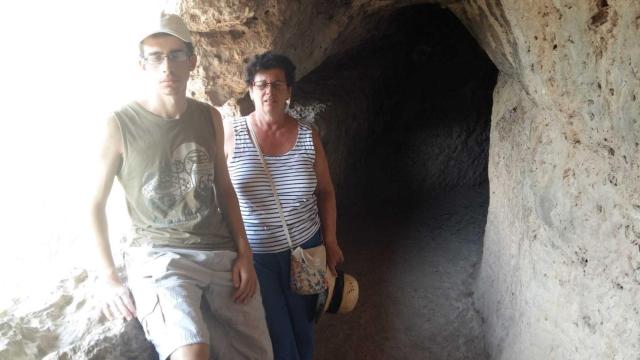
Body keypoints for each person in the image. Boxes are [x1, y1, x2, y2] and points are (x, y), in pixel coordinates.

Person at [90, 13, 272, 360]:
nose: (166, 67)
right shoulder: (120, 125)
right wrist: (109, 277)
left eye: (175, 55)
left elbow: (224, 188)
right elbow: (93, 204)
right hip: (160, 256)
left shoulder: (208, 117)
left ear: (193, 61)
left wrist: (244, 254)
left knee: (258, 354)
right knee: (191, 351)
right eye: (155, 57)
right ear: (142, 65)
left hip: (218, 252)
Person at [223, 52, 344, 360]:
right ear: (250, 90)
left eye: (278, 84)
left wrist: (330, 241)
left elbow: (326, 192)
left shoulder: (308, 134)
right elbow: (218, 196)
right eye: (261, 84)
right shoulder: (231, 134)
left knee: (304, 327)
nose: (269, 91)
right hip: (257, 257)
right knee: (277, 337)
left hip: (307, 249)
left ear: (290, 91)